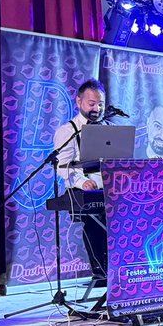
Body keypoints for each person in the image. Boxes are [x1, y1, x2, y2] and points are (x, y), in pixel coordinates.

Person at [53, 79, 109, 284]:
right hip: (85, 190)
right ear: (79, 102)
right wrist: (82, 182)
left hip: (110, 189)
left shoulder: (108, 128)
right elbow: (63, 166)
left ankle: (120, 270)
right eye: (92, 103)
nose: (97, 108)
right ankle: (101, 272)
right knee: (94, 223)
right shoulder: (67, 131)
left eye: (100, 104)